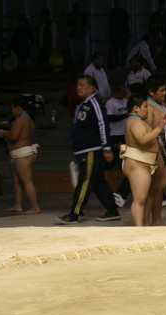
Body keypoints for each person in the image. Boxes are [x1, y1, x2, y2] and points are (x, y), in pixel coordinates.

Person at [56, 75, 120, 224]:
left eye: (82, 85)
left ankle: (74, 214)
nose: (78, 88)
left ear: (91, 88)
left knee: (85, 180)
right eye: (77, 85)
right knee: (98, 182)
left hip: (91, 149)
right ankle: (112, 210)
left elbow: (103, 124)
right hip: (83, 150)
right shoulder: (83, 104)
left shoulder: (94, 104)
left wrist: (107, 148)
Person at [122, 95, 166, 226]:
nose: (147, 110)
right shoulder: (134, 122)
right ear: (136, 108)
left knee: (148, 195)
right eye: (145, 107)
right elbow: (143, 139)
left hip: (146, 162)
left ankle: (144, 224)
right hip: (137, 163)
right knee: (140, 199)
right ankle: (139, 229)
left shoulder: (139, 121)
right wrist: (160, 127)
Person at [0, 98, 41, 214]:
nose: (12, 111)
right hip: (21, 153)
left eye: (13, 108)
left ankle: (35, 207)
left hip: (23, 154)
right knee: (17, 181)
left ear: (18, 108)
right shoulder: (29, 119)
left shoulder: (20, 120)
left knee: (27, 181)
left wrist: (4, 133)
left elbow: (14, 137)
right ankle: (18, 205)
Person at [144, 75, 166, 225]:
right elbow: (147, 130)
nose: (164, 93)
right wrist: (162, 128)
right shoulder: (148, 107)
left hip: (165, 148)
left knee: (160, 187)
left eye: (165, 90)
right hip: (154, 149)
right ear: (151, 92)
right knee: (154, 188)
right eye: (161, 91)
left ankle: (156, 219)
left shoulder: (164, 105)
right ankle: (149, 221)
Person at [105, 83, 132, 207]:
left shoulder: (126, 101)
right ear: (115, 92)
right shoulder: (110, 103)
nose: (123, 93)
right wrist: (124, 115)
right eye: (121, 91)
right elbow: (110, 118)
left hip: (125, 134)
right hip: (115, 134)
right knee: (113, 159)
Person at [108, 0, 129, 68]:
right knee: (117, 50)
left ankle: (122, 63)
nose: (117, 4)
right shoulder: (121, 12)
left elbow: (126, 24)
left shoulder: (115, 13)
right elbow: (110, 25)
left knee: (122, 50)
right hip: (117, 34)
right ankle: (119, 64)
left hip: (121, 34)